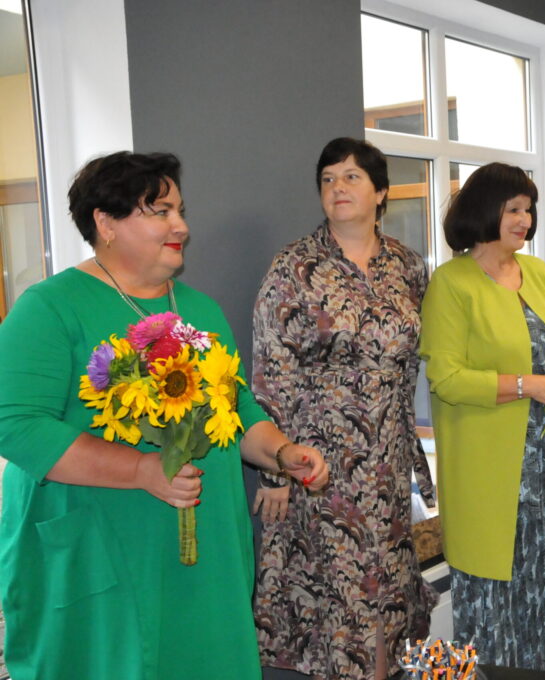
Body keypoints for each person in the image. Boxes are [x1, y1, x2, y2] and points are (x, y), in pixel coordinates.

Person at [0, 151, 329, 679]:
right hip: (103, 555)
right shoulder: (49, 308)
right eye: (160, 212)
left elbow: (237, 407)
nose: (182, 226)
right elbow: (17, 425)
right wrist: (140, 471)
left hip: (207, 557)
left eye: (180, 211)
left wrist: (281, 451)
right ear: (106, 222)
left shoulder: (199, 309)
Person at [250, 138, 437, 680]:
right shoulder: (294, 267)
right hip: (320, 463)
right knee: (341, 597)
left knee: (388, 593)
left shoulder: (407, 265)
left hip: (390, 461)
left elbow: (413, 360)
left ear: (381, 192)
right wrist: (275, 470)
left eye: (352, 177)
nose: (338, 188)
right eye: (328, 179)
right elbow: (271, 368)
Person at [420, 162, 545, 679]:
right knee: (499, 608)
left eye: (529, 209)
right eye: (513, 209)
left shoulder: (539, 272)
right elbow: (447, 378)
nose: (524, 220)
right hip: (493, 473)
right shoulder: (451, 282)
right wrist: (529, 385)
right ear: (485, 210)